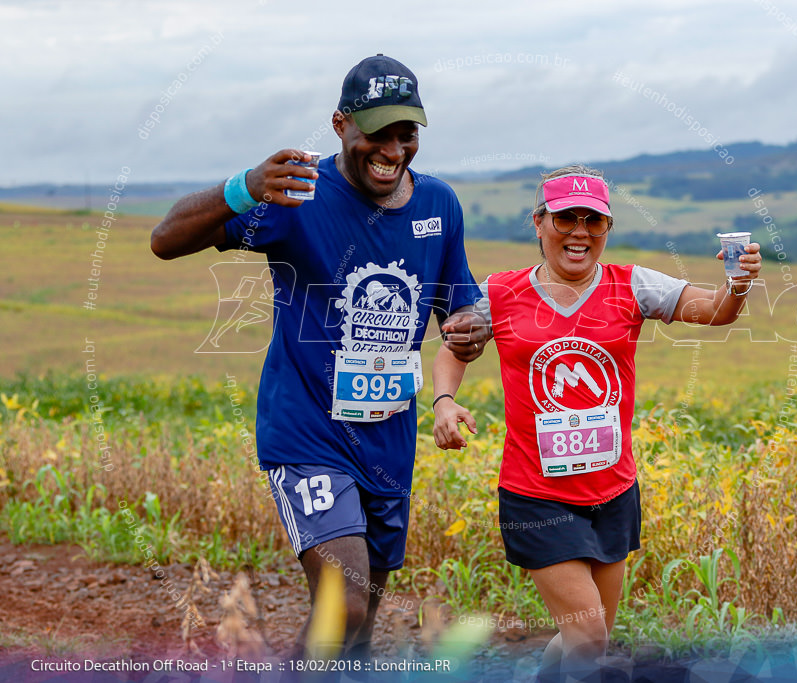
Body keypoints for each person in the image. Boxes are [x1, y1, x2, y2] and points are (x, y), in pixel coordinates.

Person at [150, 54, 490, 659]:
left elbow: (458, 307)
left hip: (388, 440)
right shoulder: (296, 195)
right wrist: (244, 188)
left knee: (360, 626)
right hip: (308, 433)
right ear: (340, 125)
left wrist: (469, 330)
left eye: (405, 132)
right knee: (345, 604)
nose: (392, 148)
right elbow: (166, 240)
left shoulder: (439, 205)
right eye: (376, 132)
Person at [431, 164, 761, 681]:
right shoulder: (499, 293)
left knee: (589, 638)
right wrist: (444, 402)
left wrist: (737, 284)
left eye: (594, 221)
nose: (580, 232)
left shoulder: (634, 284)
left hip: (612, 490)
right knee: (587, 637)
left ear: (607, 229)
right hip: (535, 493)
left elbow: (717, 312)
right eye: (565, 219)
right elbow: (455, 348)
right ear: (539, 223)